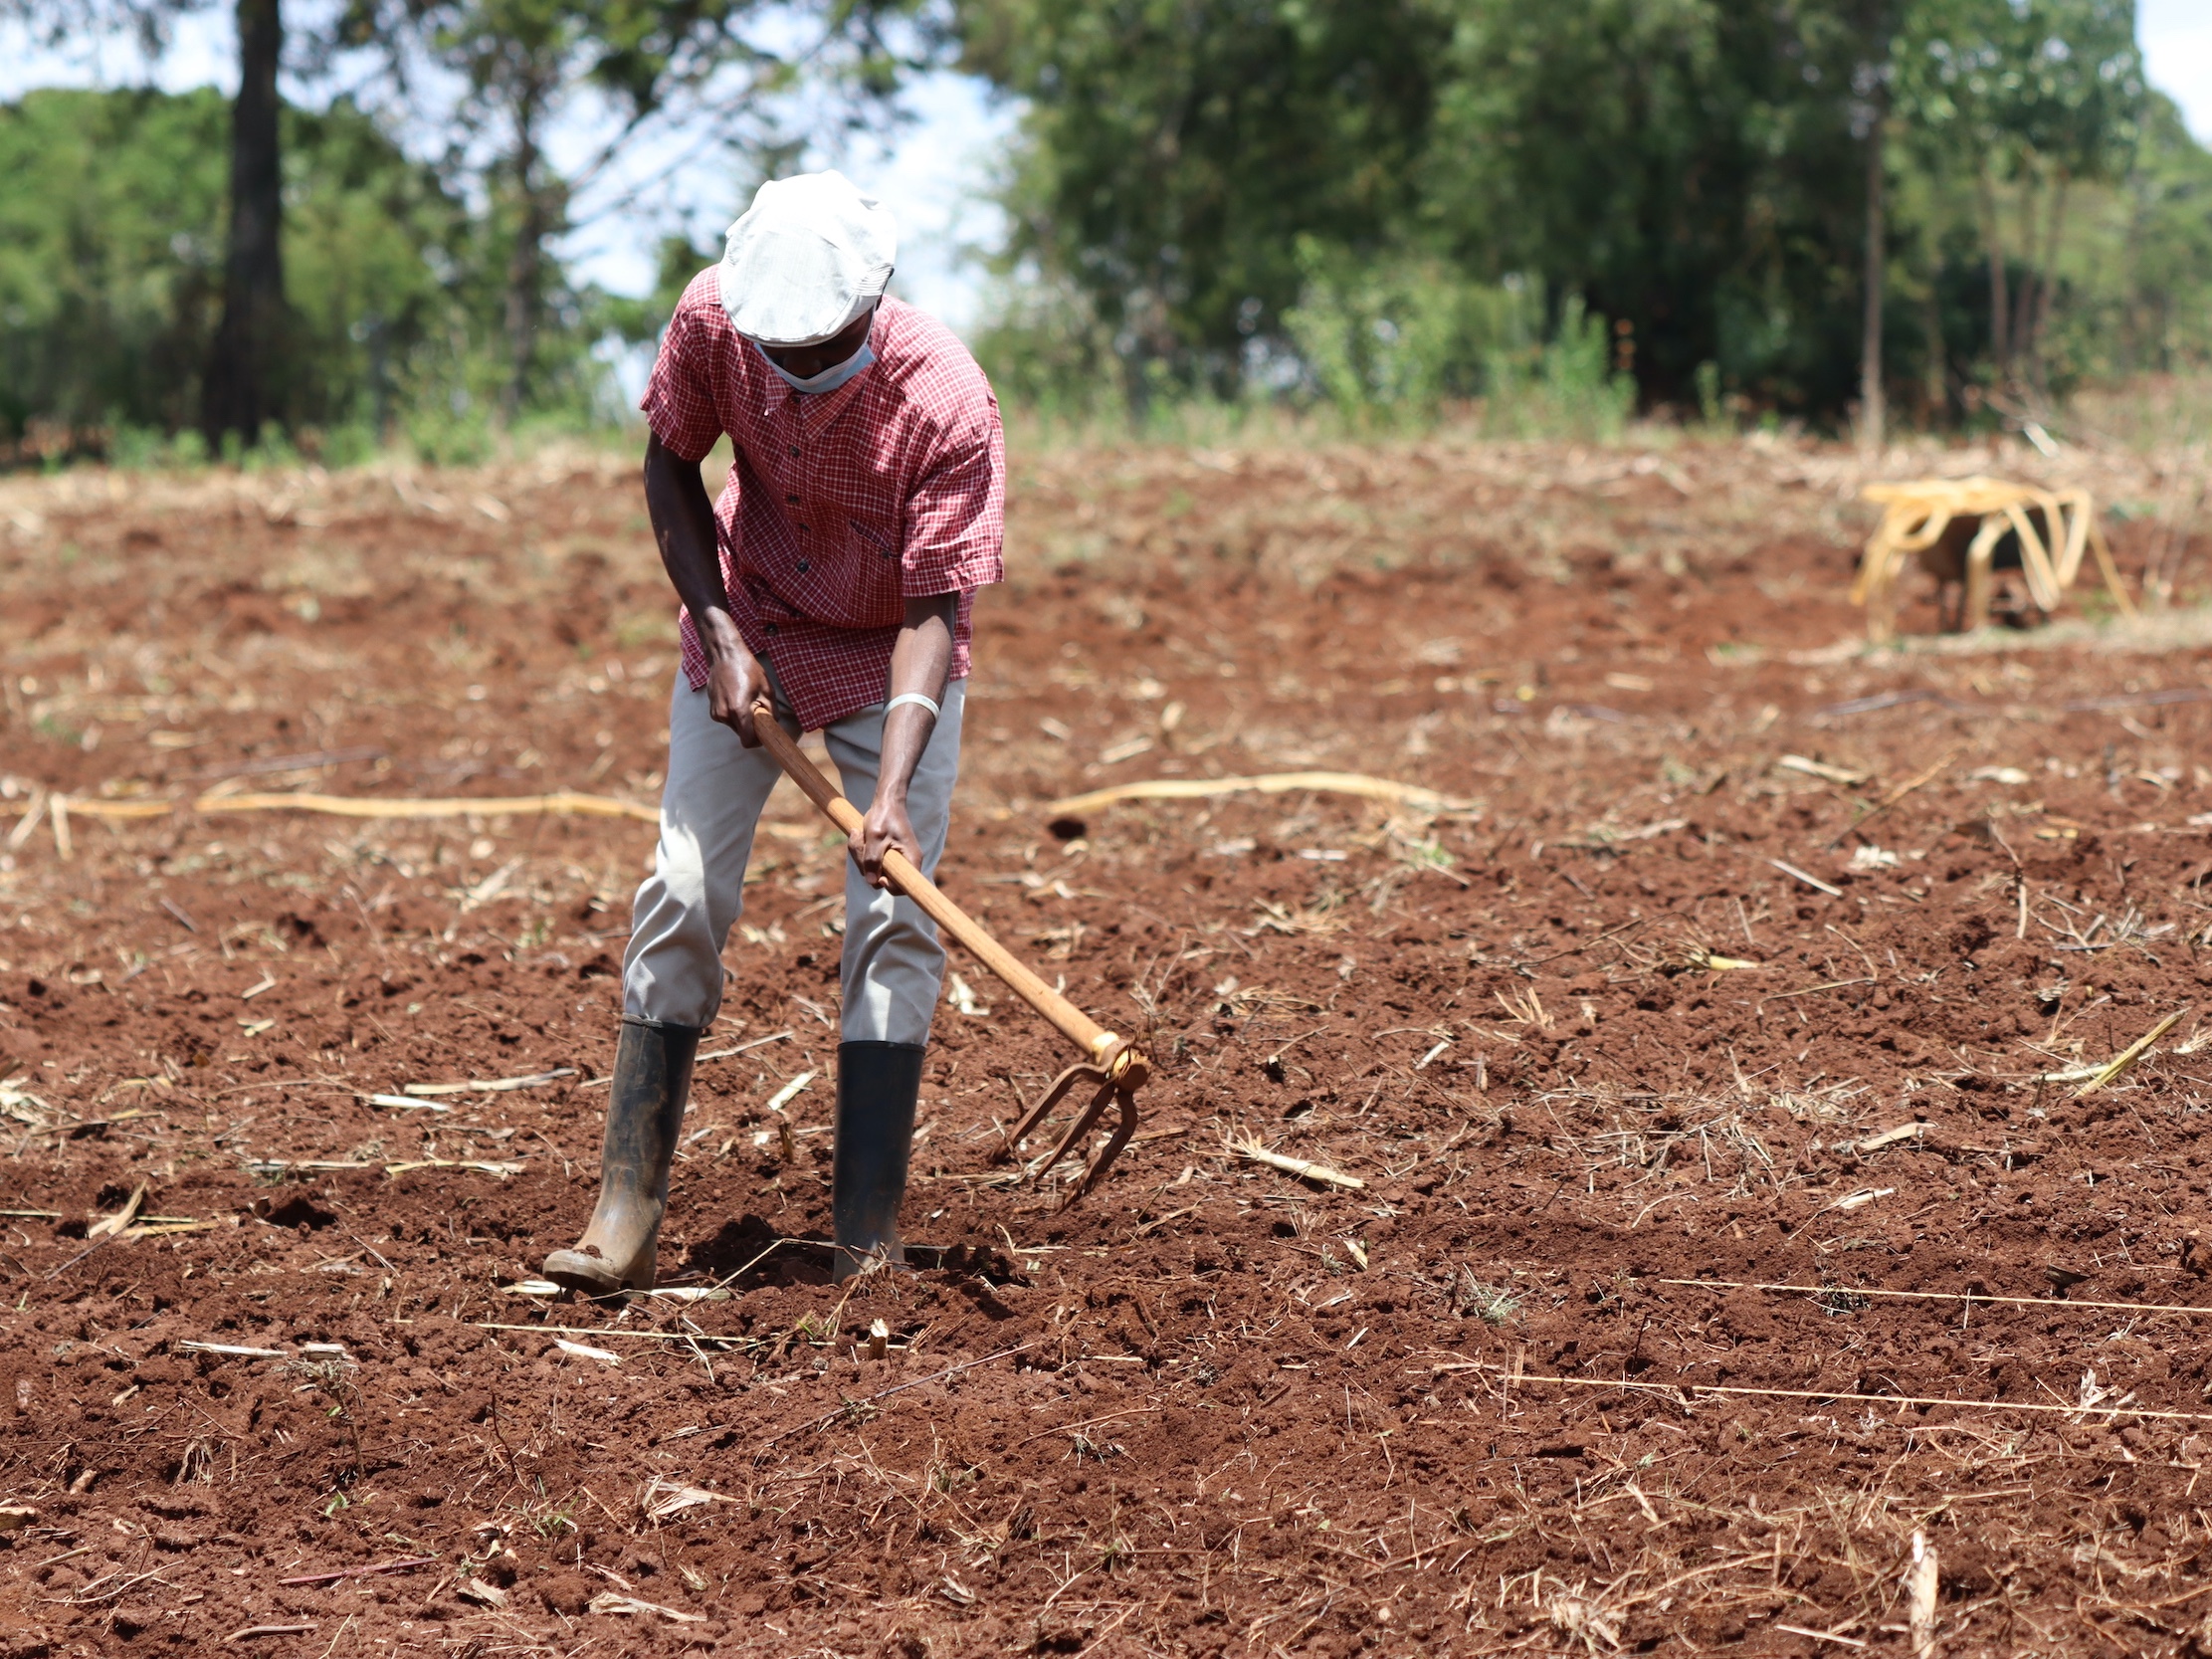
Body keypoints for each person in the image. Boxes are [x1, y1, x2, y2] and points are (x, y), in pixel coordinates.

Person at [542, 170, 1005, 1295]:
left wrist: (887, 791)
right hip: (745, 628)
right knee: (682, 889)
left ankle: (866, 1235)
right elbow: (671, 461)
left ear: (869, 302)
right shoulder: (715, 320)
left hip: (886, 659)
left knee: (894, 922)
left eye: (819, 344)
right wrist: (718, 628)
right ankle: (626, 1211)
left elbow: (934, 610)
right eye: (776, 346)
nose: (792, 363)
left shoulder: (947, 399)